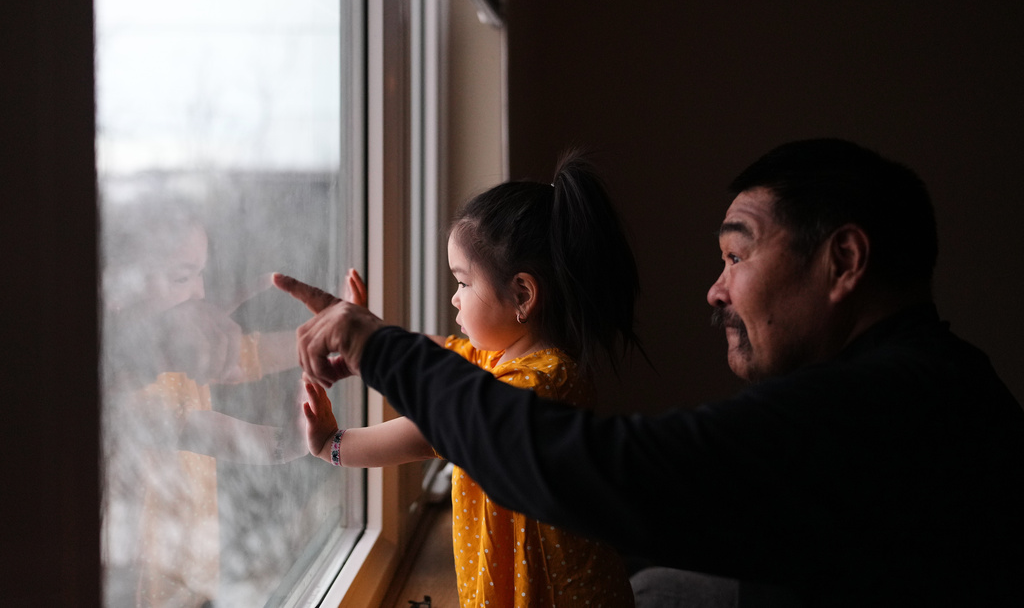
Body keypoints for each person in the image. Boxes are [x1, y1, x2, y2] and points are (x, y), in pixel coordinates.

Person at [277, 139, 1024, 606]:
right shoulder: (931, 384)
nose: (715, 287)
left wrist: (383, 349)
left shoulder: (884, 408)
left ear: (845, 262)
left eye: (737, 254)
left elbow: (598, 470)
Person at [291, 150, 641, 607]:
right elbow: (430, 356)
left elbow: (428, 430)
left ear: (522, 294)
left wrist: (332, 445)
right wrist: (368, 332)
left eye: (462, 282)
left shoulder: (543, 383)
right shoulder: (497, 360)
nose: (454, 299)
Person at [102, 197, 306, 608]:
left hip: (196, 580)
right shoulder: (117, 392)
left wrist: (351, 343)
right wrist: (323, 440)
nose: (200, 292)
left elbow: (256, 353)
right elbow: (249, 442)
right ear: (117, 289)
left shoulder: (190, 357)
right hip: (145, 592)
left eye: (201, 275)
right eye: (182, 277)